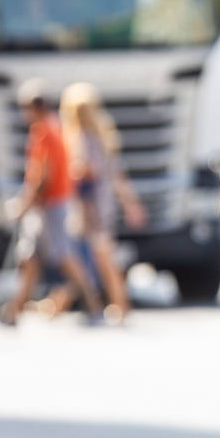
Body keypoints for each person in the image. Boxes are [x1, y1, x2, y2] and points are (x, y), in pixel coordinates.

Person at [1, 79, 104, 325]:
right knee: (30, 258)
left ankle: (93, 303)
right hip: (48, 204)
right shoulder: (53, 128)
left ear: (34, 108)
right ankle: (13, 310)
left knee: (65, 257)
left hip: (50, 205)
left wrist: (24, 203)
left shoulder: (44, 133)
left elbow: (42, 175)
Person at [54, 82, 147, 323]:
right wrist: (131, 203)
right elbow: (118, 176)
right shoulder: (103, 136)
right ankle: (99, 302)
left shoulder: (81, 137)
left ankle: (116, 304)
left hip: (89, 206)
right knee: (92, 257)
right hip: (101, 204)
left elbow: (85, 170)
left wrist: (68, 176)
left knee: (95, 256)